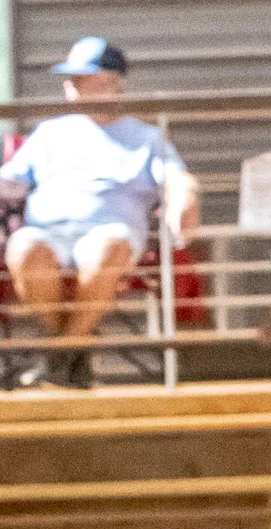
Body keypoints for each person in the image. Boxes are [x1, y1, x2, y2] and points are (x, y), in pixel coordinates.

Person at [0, 37, 200, 390]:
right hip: (48, 234)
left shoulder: (146, 138)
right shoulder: (49, 133)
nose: (71, 88)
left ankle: (58, 355)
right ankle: (70, 351)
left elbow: (177, 178)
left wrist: (186, 196)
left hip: (110, 233)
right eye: (72, 81)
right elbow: (8, 181)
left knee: (107, 247)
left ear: (113, 85)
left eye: (81, 80)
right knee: (24, 248)